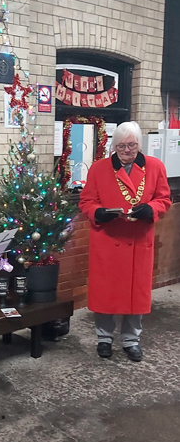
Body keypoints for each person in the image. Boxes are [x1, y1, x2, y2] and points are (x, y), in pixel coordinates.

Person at [79, 121, 171, 362]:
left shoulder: (155, 166)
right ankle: (104, 338)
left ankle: (131, 340)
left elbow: (164, 199)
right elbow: (86, 201)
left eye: (131, 145)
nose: (126, 150)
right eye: (121, 146)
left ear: (139, 145)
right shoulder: (99, 169)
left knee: (135, 294)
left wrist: (150, 209)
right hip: (108, 239)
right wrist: (97, 212)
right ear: (113, 145)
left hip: (138, 241)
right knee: (105, 294)